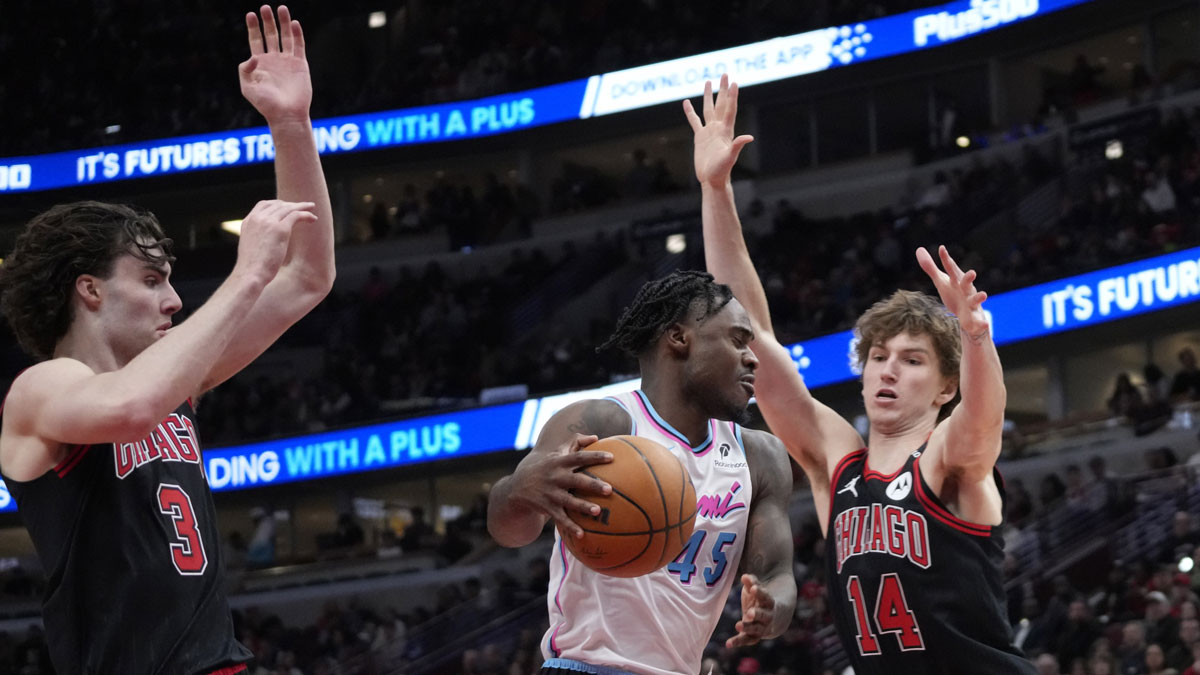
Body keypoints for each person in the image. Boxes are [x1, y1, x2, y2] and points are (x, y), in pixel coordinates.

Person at [0, 6, 334, 674]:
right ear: (89, 288)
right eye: (151, 279)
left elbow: (306, 277)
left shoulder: (172, 373)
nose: (174, 299)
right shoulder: (41, 389)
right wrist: (245, 274)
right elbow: (130, 408)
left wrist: (291, 125)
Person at [691, 74, 1035, 673]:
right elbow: (752, 334)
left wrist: (977, 340)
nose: (889, 371)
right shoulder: (836, 462)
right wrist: (715, 187)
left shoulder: (946, 460)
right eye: (879, 357)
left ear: (946, 386)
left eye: (912, 359)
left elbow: (983, 421)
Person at [487, 270, 797, 674]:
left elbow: (776, 573)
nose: (752, 357)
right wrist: (518, 491)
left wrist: (773, 607)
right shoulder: (602, 424)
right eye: (737, 340)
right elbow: (512, 531)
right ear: (679, 337)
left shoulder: (761, 457)